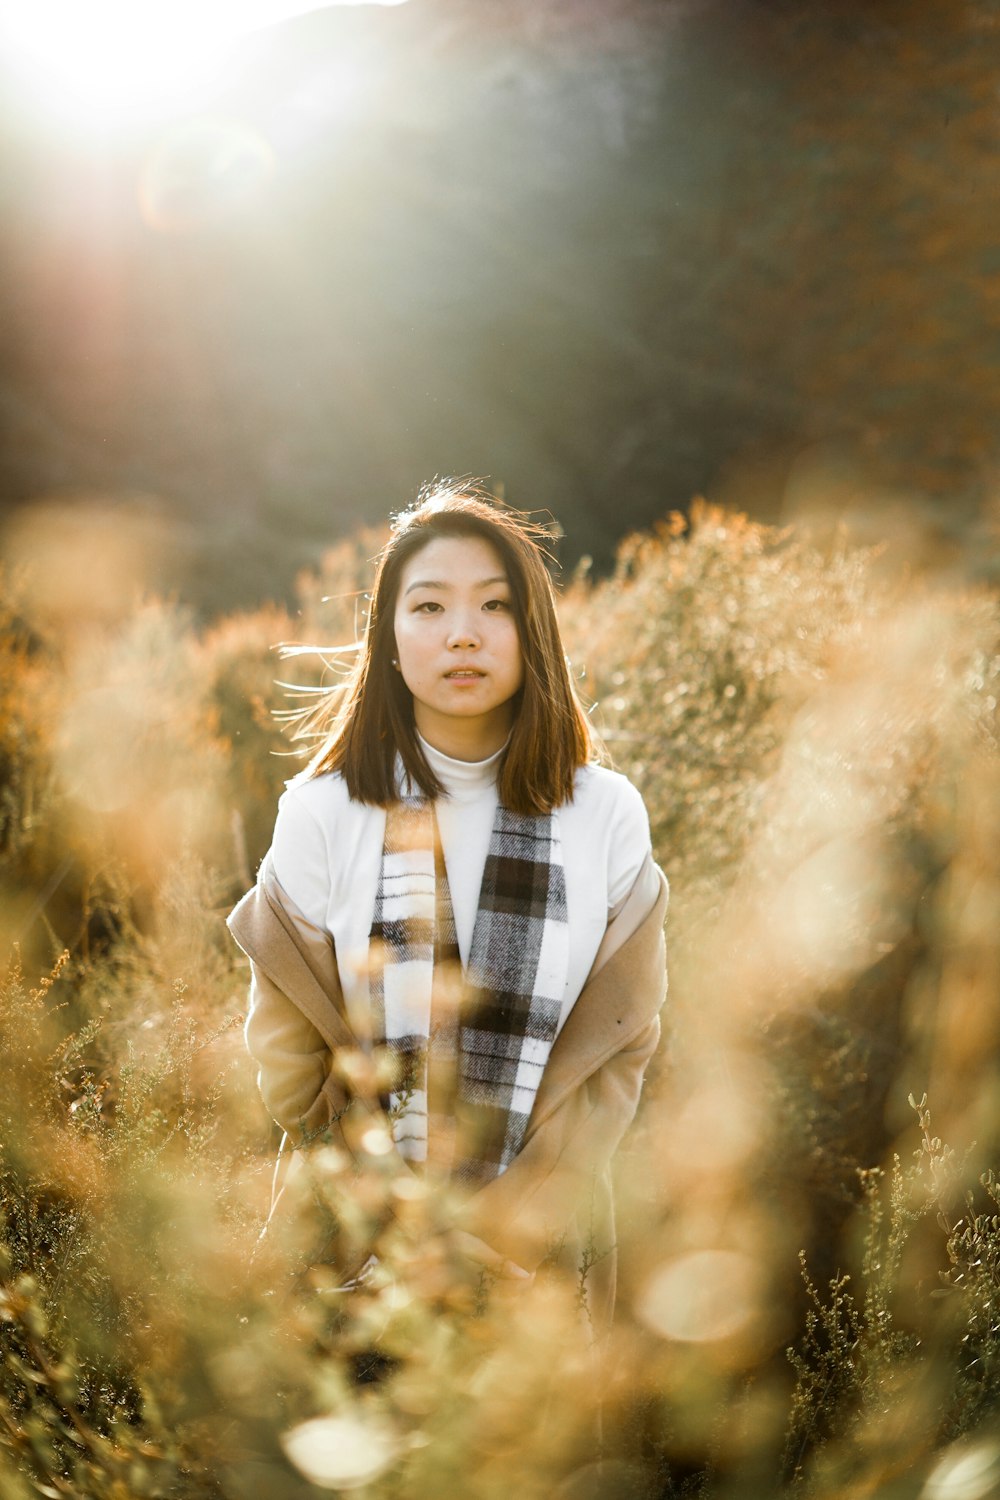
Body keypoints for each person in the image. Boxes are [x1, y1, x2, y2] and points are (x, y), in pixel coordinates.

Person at [227, 478, 668, 1333]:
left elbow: (624, 1042)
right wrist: (368, 1205)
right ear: (388, 636)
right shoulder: (322, 810)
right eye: (428, 607)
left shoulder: (605, 811)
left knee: (535, 1464)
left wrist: (526, 1213)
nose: (462, 632)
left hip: (542, 1245)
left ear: (530, 630)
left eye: (494, 606)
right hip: (355, 1245)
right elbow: (284, 1044)